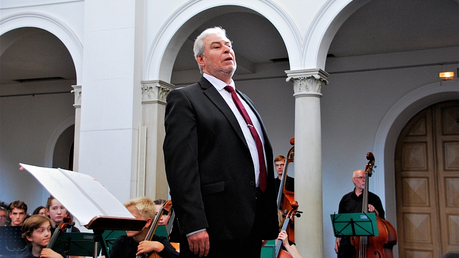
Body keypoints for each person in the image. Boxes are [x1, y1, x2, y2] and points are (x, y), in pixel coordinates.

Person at [163, 26, 278, 258]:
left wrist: (265, 217)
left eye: (229, 45)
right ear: (201, 59)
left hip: (253, 223)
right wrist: (194, 223)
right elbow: (181, 168)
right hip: (213, 227)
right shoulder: (186, 98)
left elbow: (257, 158)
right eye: (217, 46)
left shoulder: (245, 101)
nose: (227, 49)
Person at [334, 169, 385, 258]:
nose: (364, 180)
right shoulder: (346, 199)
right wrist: (337, 239)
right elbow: (341, 221)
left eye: (365, 178)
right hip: (348, 244)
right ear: (354, 180)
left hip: (369, 244)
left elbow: (382, 221)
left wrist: (375, 211)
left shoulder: (374, 198)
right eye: (361, 178)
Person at [109, 197, 179, 258]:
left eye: (132, 218)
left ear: (147, 222)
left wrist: (159, 248)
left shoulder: (159, 242)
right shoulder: (121, 243)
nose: (127, 223)